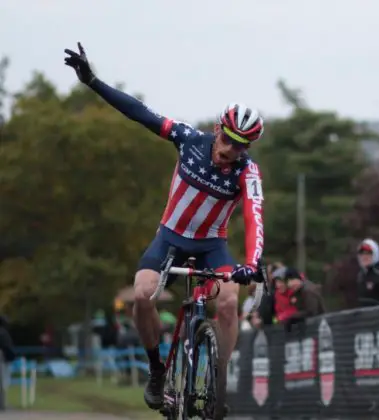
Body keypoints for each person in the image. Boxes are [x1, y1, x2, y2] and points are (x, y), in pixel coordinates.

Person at [64, 43, 265, 412]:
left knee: (231, 298)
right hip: (170, 238)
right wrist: (92, 81)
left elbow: (254, 217)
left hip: (211, 246)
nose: (229, 150)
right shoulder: (188, 139)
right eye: (226, 139)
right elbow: (139, 113)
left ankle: (219, 383)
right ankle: (157, 369)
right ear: (218, 129)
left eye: (239, 146)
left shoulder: (247, 172)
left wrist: (252, 262)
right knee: (142, 295)